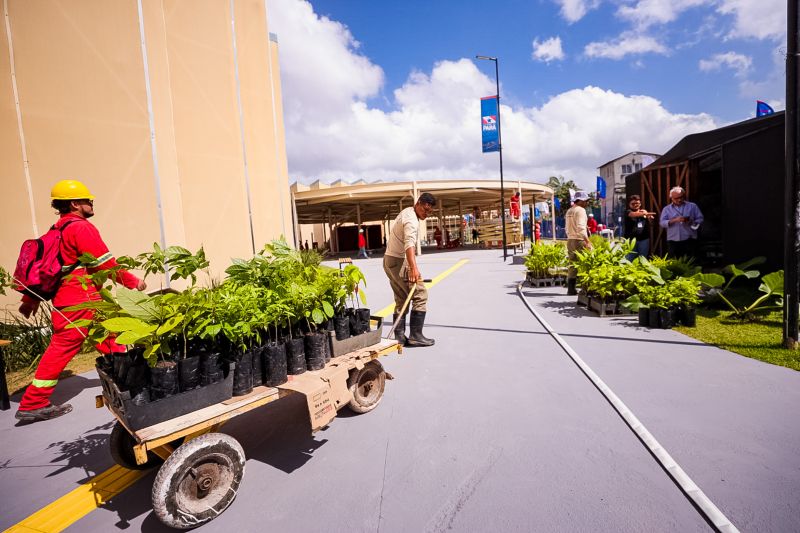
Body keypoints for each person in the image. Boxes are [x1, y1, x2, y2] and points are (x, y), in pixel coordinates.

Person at [15, 180, 146, 423]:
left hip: (74, 299)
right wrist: (132, 282)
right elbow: (103, 262)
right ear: (75, 204)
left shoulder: (58, 229)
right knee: (64, 347)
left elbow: (50, 268)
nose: (91, 203)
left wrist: (29, 299)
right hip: (81, 300)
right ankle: (33, 402)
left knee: (110, 337)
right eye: (87, 200)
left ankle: (127, 383)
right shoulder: (81, 228)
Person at [383, 193, 436, 347]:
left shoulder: (407, 211)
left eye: (429, 212)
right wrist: (413, 268)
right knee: (420, 294)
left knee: (401, 297)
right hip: (399, 261)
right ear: (418, 203)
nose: (426, 213)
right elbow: (409, 243)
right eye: (425, 209)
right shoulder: (412, 220)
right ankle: (416, 336)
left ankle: (399, 337)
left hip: (388, 260)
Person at [659, 186, 704, 258]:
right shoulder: (666, 209)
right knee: (674, 263)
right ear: (671, 198)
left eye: (681, 197)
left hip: (689, 238)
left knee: (690, 262)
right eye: (676, 198)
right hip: (673, 239)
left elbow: (700, 219)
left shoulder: (692, 206)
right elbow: (662, 223)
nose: (679, 200)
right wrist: (674, 220)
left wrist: (692, 221)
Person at [565, 191, 593, 296]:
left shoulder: (569, 210)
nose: (587, 203)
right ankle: (585, 289)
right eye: (586, 201)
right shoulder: (581, 210)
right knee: (586, 263)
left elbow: (568, 227)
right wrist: (588, 242)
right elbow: (581, 228)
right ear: (580, 200)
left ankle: (571, 289)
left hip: (570, 240)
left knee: (572, 264)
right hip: (579, 240)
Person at [624, 195, 655, 259]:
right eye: (633, 203)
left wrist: (649, 217)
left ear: (640, 204)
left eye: (637, 203)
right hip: (631, 240)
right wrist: (645, 214)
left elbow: (651, 224)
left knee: (643, 258)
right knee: (630, 258)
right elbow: (632, 214)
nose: (635, 205)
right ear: (629, 204)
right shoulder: (628, 212)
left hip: (643, 239)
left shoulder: (643, 212)